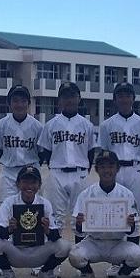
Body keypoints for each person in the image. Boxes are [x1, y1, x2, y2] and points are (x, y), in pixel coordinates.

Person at [0, 85, 43, 277]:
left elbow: (42, 152)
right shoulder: (1, 124)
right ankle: (1, 259)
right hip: (10, 171)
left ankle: (37, 259)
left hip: (31, 171)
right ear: (9, 103)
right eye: (15, 100)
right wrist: (9, 161)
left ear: (28, 103)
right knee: (4, 212)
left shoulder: (37, 126)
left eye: (23, 100)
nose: (19, 104)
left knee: (35, 211)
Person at [0, 165, 71, 278]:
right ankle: (7, 273)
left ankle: (46, 272)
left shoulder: (45, 203)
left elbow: (55, 236)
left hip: (39, 252)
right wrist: (9, 229)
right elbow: (0, 233)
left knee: (65, 246)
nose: (29, 186)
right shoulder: (9, 202)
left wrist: (47, 230)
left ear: (39, 185)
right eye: (25, 182)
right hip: (16, 252)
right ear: (18, 184)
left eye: (33, 182)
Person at [98, 82, 140, 278]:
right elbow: (104, 151)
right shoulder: (107, 124)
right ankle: (115, 262)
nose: (124, 99)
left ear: (133, 98)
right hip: (115, 169)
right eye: (120, 95)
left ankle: (132, 263)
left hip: (135, 168)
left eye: (128, 95)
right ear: (115, 99)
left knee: (134, 214)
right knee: (114, 213)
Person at [70, 150, 140, 278]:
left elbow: (134, 231)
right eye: (102, 167)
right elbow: (78, 231)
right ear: (97, 169)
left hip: (117, 243)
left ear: (117, 168)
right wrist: (79, 224)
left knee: (138, 254)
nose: (107, 170)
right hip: (93, 242)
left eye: (110, 166)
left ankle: (123, 275)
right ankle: (87, 273)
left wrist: (131, 225)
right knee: (75, 254)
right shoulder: (86, 194)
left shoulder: (126, 194)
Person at [38, 81, 97, 238]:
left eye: (72, 96)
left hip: (80, 172)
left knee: (81, 218)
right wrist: (54, 168)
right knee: (54, 217)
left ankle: (81, 253)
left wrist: (84, 170)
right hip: (57, 172)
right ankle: (54, 252)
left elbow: (91, 152)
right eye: (65, 97)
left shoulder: (87, 125)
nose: (69, 100)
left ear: (79, 98)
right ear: (59, 101)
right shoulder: (50, 125)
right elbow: (46, 152)